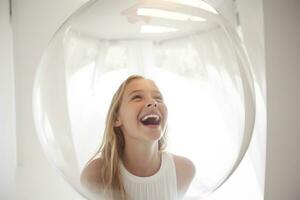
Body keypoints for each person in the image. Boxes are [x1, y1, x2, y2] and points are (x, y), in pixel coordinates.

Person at [81, 75, 195, 200]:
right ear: (116, 118)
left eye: (158, 98)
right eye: (137, 97)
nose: (153, 102)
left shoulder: (184, 170)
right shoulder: (96, 175)